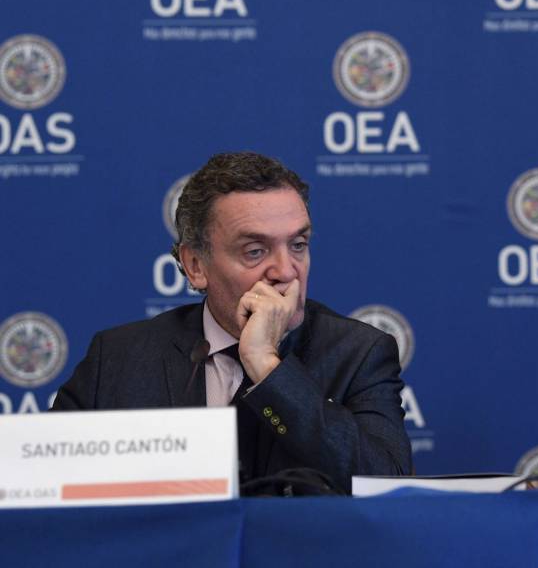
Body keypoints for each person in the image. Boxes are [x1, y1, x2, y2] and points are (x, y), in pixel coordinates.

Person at [52, 152, 412, 494]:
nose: (286, 272)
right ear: (195, 266)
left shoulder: (358, 353)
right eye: (255, 251)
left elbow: (385, 487)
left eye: (298, 245)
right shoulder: (118, 358)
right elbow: (43, 486)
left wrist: (270, 369)